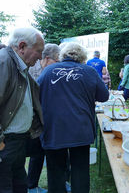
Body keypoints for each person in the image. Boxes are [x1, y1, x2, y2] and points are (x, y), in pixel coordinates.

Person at [37, 42, 109, 193]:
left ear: (62, 55)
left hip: (54, 129)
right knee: (80, 169)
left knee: (55, 171)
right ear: (82, 57)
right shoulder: (89, 71)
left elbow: (35, 95)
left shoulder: (48, 71)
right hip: (80, 128)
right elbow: (104, 96)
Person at [0, 27, 44, 193]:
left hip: (18, 141)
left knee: (19, 186)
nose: (40, 56)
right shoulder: (3, 62)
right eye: (38, 51)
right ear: (22, 46)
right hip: (6, 143)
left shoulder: (19, 65)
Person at [27, 44, 66, 193]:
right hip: (36, 119)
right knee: (37, 152)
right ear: (47, 58)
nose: (59, 65)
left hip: (51, 117)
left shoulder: (51, 69)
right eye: (57, 61)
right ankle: (32, 186)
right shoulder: (33, 69)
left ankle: (58, 183)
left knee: (53, 152)